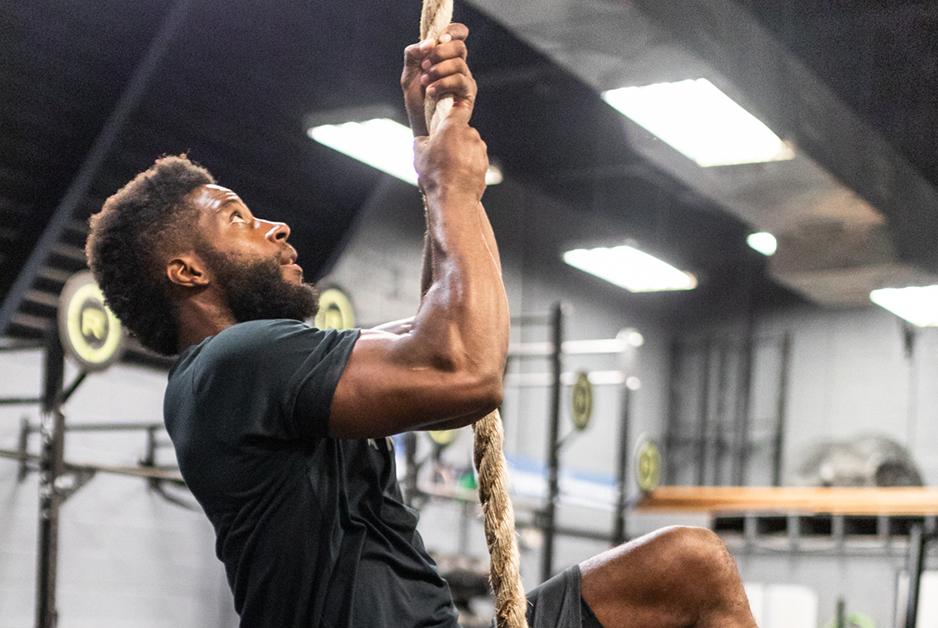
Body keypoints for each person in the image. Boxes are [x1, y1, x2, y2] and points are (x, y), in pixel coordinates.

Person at [85, 23, 758, 628]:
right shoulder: (231, 362)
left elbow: (438, 327)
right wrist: (449, 188)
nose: (275, 226)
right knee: (692, 565)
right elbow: (464, 371)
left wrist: (429, 135)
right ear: (186, 272)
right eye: (237, 219)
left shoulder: (256, 366)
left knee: (688, 566)